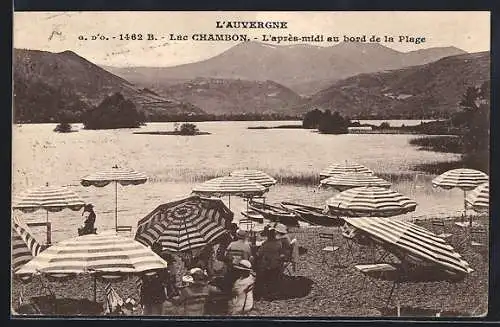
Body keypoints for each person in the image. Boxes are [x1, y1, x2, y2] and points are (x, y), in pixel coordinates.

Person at [255, 227, 286, 299]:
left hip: (267, 265)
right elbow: (281, 253)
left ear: (268, 236)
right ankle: (273, 289)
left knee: (259, 264)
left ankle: (262, 288)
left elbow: (259, 254)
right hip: (276, 264)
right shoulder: (278, 243)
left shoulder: (265, 244)